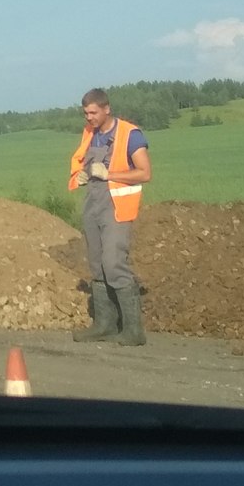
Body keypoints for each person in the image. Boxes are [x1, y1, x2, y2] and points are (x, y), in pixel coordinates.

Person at [66, 89, 152, 344]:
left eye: (93, 112)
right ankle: (104, 324)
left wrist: (109, 175)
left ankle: (134, 330)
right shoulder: (90, 134)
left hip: (117, 206)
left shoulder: (130, 135)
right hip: (93, 203)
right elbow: (82, 163)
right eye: (85, 113)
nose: (88, 117)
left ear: (106, 109)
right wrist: (80, 176)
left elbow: (145, 173)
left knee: (113, 262)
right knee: (97, 265)